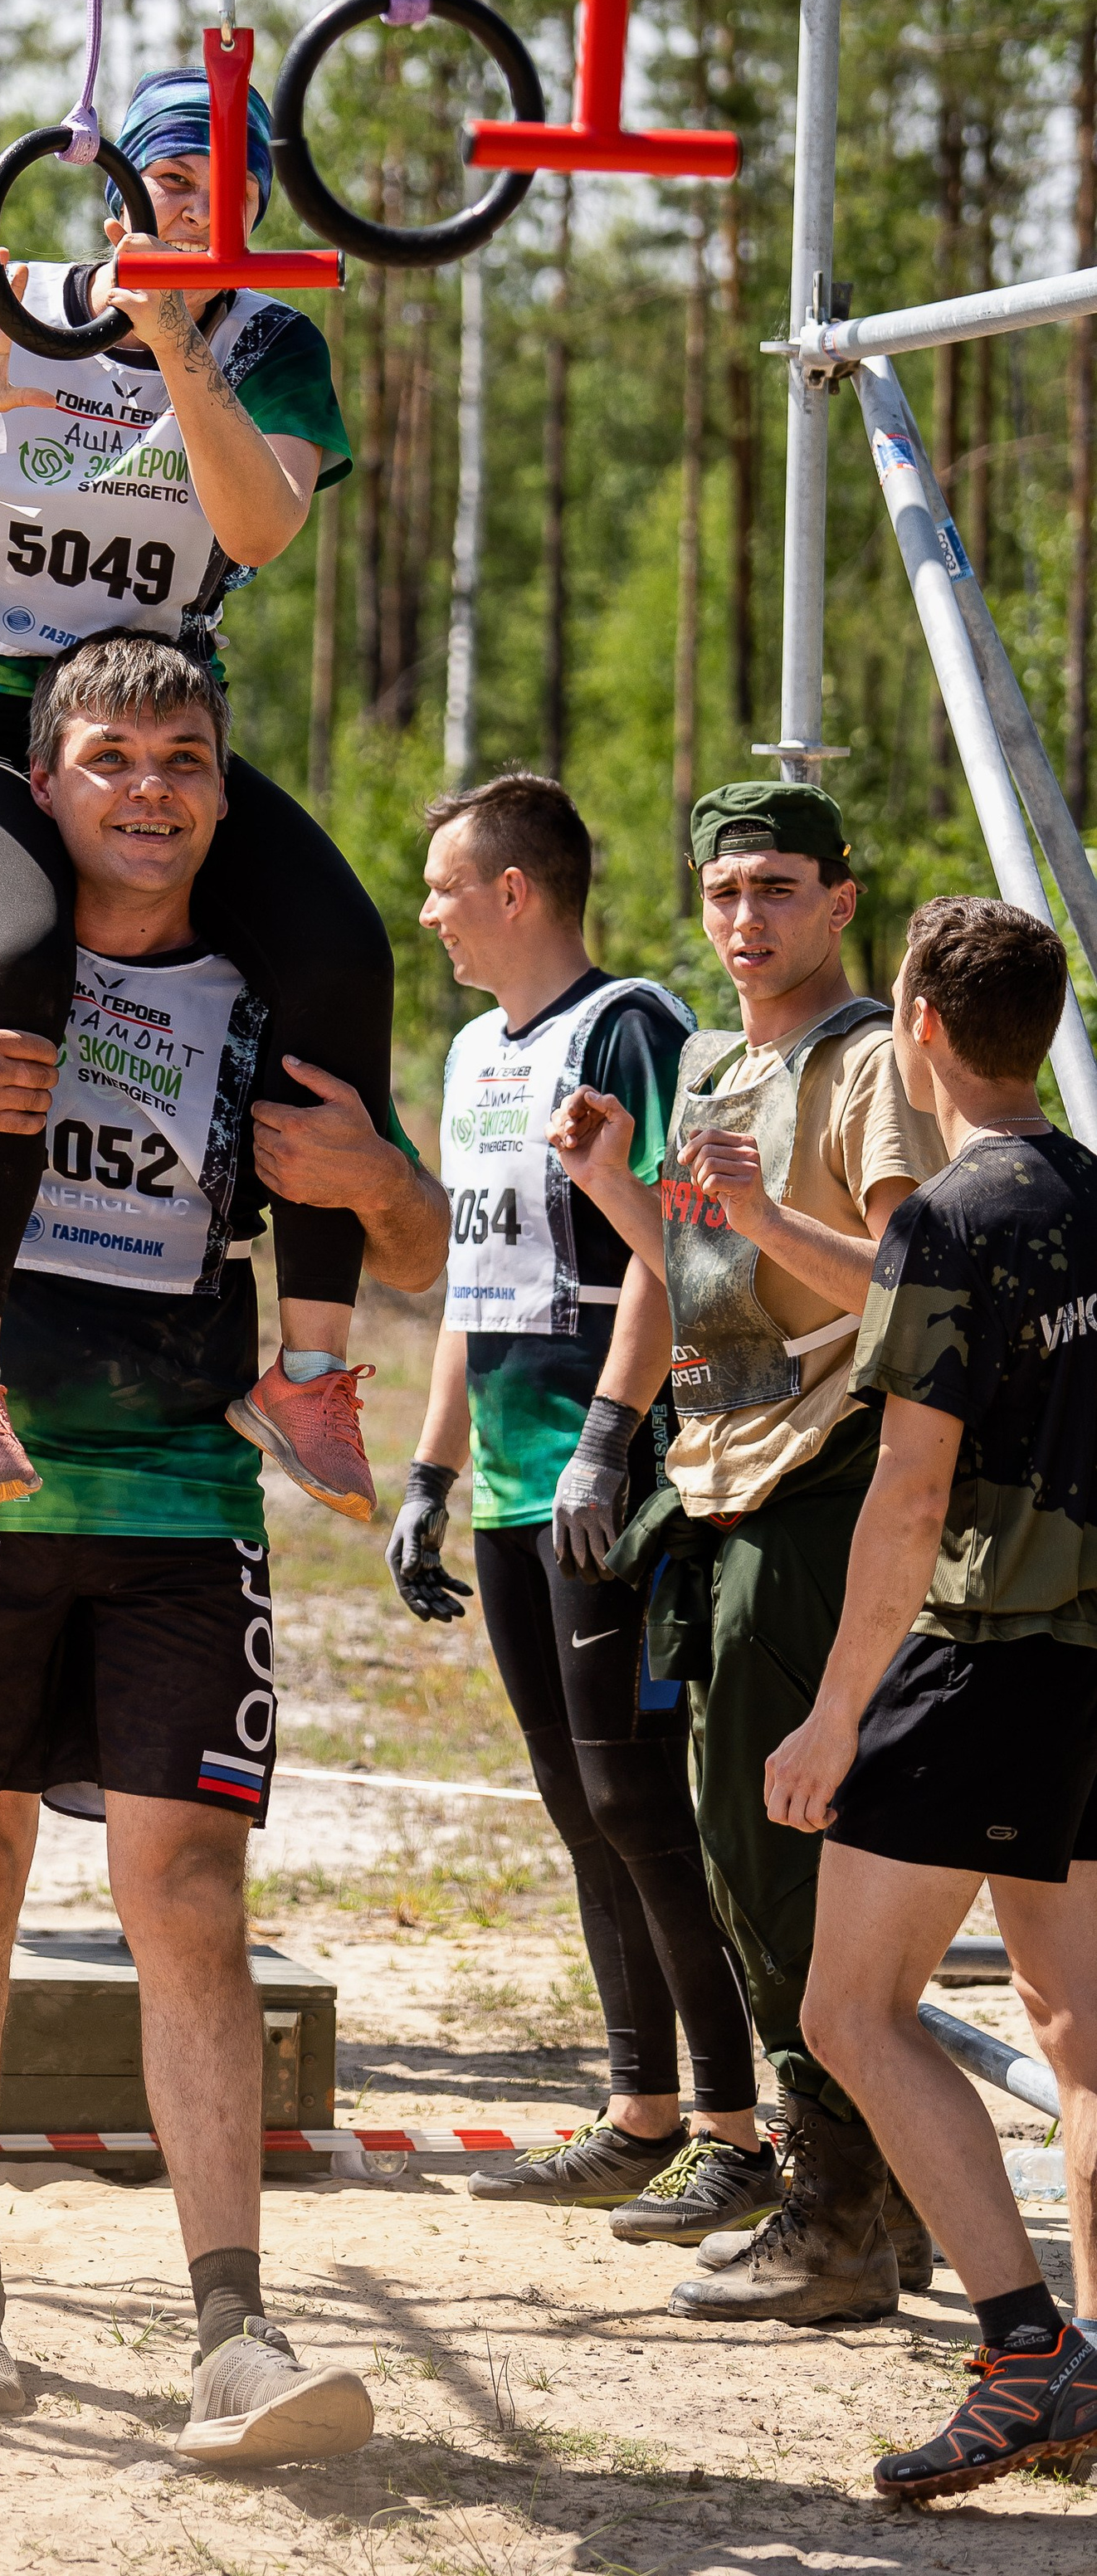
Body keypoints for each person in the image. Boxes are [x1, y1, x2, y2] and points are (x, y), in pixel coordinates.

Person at [0, 630, 444, 2456]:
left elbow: (412, 1251)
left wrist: (381, 1185)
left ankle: (230, 2324)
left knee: (188, 1906)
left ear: (219, 792)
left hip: (178, 1497)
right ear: (44, 785)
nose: (146, 788)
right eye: (108, 759)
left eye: (181, 758)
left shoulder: (273, 979)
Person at [0, 66, 392, 1527]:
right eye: (164, 174)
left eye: (218, 178)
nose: (186, 201)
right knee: (17, 944)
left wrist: (180, 350)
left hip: (138, 746)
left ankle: (310, 1364)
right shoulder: (11, 297)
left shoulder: (272, 341)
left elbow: (260, 523)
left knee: (338, 950)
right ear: (110, 181)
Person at [551, 780, 944, 2325]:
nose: (745, 921)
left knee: (782, 1861)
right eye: (723, 894)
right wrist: (621, 1232)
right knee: (736, 1846)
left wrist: (764, 1212)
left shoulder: (868, 1069)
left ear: (841, 903)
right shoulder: (718, 1062)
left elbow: (920, 1288)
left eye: (777, 888)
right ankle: (859, 2195)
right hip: (722, 1479)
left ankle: (844, 2207)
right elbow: (719, 1292)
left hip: (828, 1485)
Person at [385, 774, 769, 2237]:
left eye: (445, 886)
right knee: (573, 1800)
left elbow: (683, 1245)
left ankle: (737, 2128)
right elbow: (475, 1289)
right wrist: (431, 1474)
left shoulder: (634, 1027)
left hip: (615, 1479)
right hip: (507, 1476)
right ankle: (638, 2111)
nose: (429, 913)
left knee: (636, 1797)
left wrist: (615, 1435)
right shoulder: (479, 1047)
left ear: (517, 891)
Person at [749, 897, 1097, 2496]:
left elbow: (906, 1495)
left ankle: (1027, 2355)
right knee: (1081, 2040)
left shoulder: (957, 1219)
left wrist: (833, 1718)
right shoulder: (1095, 1193)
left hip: (989, 1659)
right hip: (1094, 1665)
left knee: (850, 2010)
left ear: (925, 1029)